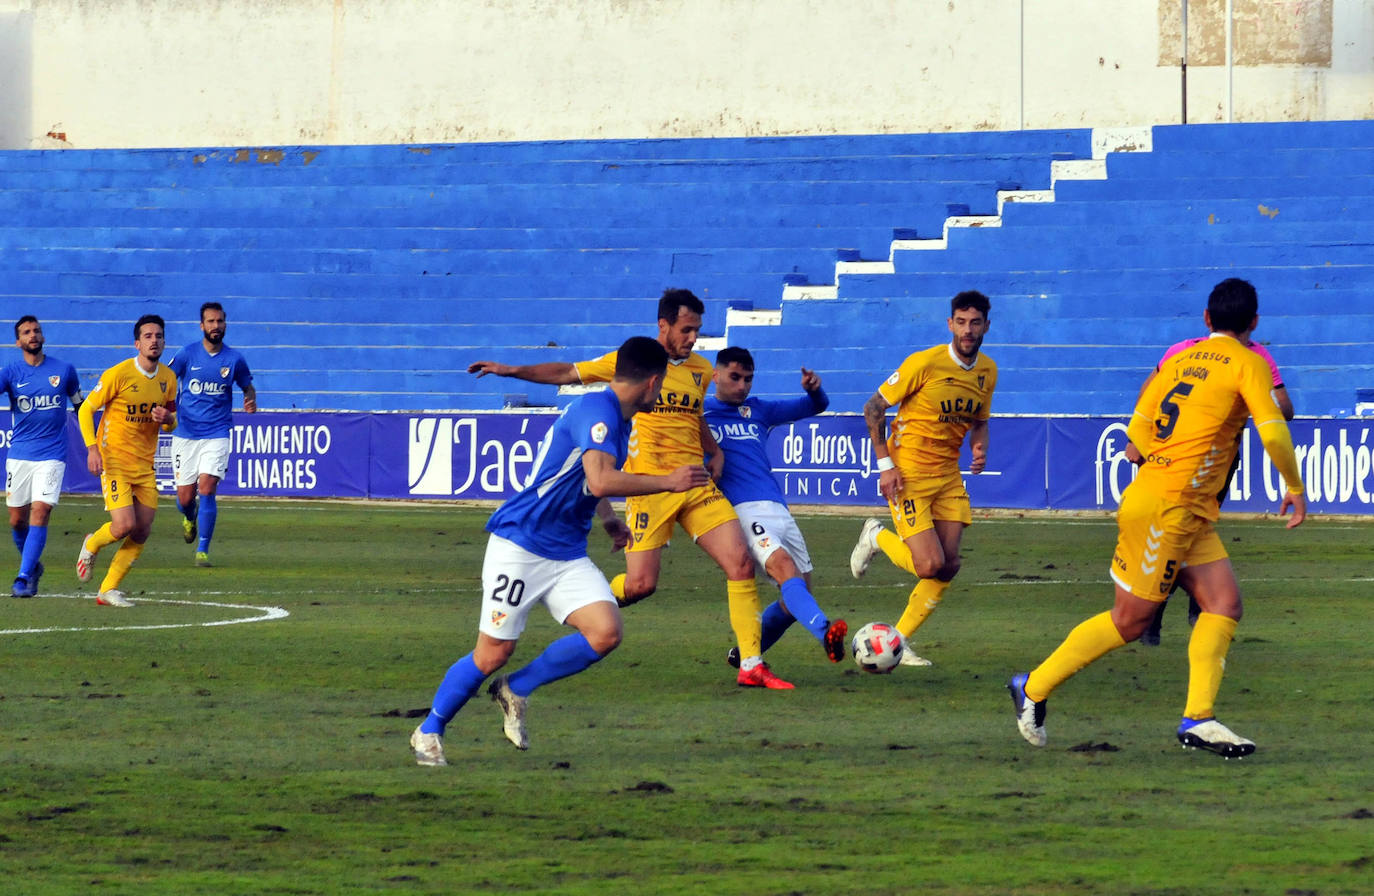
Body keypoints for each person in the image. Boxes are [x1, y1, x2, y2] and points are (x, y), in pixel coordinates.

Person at [1009, 278, 1306, 758]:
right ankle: (1033, 687)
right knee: (1130, 621)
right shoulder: (1250, 362)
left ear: (1206, 319)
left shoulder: (1178, 359)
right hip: (1168, 509)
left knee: (1223, 603)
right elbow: (1273, 431)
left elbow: (1139, 428)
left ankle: (1199, 718)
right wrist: (1294, 486)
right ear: (1254, 322)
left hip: (1181, 506)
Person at [469, 289, 791, 689]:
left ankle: (751, 664)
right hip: (649, 488)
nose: (693, 338)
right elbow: (568, 373)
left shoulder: (702, 369)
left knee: (740, 563)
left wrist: (714, 450)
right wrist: (511, 370)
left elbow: (694, 416)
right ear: (664, 325)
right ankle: (588, 603)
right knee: (641, 585)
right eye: (686, 329)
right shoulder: (631, 363)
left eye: (697, 330)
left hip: (693, 483)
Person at [411, 336, 709, 765]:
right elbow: (601, 478)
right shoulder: (598, 412)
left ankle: (515, 688)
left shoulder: (618, 417)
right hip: (521, 544)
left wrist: (607, 519)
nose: (660, 393)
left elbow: (587, 480)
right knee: (492, 653)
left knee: (605, 632)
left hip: (565, 551)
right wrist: (669, 481)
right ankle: (428, 731)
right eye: (661, 385)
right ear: (652, 382)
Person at [848, 291, 997, 666]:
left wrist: (979, 447)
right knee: (929, 564)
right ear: (950, 324)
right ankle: (877, 536)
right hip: (909, 473)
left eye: (975, 323)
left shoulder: (987, 372)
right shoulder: (925, 363)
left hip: (948, 475)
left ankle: (897, 641)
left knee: (949, 565)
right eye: (960, 322)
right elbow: (873, 407)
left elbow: (980, 420)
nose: (967, 330)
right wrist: (885, 465)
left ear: (986, 326)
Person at [1131, 332, 1294, 645]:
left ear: (1209, 319)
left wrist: (1136, 437)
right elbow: (1285, 410)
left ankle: (1169, 616)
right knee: (1182, 532)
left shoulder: (1181, 350)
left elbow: (1147, 392)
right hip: (1203, 461)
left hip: (1184, 458)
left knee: (1186, 531)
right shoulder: (1255, 357)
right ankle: (1182, 612)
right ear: (1252, 322)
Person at [702, 347, 848, 667]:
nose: (742, 386)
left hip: (779, 509)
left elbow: (816, 406)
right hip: (741, 512)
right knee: (783, 568)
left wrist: (814, 390)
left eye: (748, 379)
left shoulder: (758, 410)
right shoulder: (700, 415)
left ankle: (745, 654)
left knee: (798, 594)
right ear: (715, 376)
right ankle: (825, 631)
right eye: (734, 377)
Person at [76, 314, 178, 608]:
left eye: (158, 336)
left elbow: (172, 422)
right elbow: (85, 410)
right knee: (123, 525)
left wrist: (168, 418)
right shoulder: (118, 374)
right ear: (137, 343)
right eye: (148, 336)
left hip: (145, 465)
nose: (154, 341)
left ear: (164, 342)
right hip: (115, 460)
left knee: (142, 529)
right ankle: (92, 543)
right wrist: (92, 449)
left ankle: (108, 589)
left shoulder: (168, 379)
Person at [166, 302, 257, 567]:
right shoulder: (186, 354)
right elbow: (166, 381)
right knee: (184, 498)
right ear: (202, 325)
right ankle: (189, 516)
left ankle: (203, 550)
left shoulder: (234, 359)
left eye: (219, 321)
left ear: (225, 324)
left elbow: (248, 387)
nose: (215, 326)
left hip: (217, 433)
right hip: (185, 434)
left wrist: (250, 399)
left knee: (207, 487)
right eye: (211, 321)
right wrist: (165, 409)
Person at [1, 317, 85, 597]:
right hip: (20, 454)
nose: (33, 335)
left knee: (41, 510)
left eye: (36, 330)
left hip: (52, 454)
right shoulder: (10, 372)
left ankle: (23, 577)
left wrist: (94, 441)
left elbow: (81, 406)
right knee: (17, 520)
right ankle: (34, 566)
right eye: (26, 332)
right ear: (18, 342)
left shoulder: (64, 370)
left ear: (43, 337)